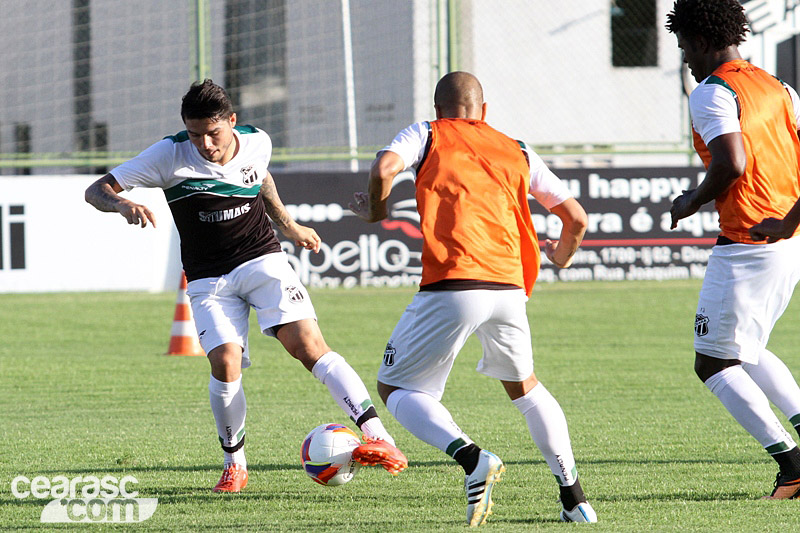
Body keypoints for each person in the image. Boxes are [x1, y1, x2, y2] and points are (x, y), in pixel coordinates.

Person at [85, 79, 407, 493]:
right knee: (225, 362)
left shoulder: (257, 141)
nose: (204, 143)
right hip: (208, 277)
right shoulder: (168, 153)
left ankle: (379, 436)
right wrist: (122, 203)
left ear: (232, 122)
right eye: (195, 133)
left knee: (308, 345)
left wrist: (289, 226)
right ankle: (234, 463)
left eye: (213, 133)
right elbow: (97, 190)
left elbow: (261, 178)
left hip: (262, 259)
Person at [350, 71, 597, 525]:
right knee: (526, 389)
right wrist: (560, 256)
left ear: (438, 109)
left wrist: (376, 212)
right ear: (483, 112)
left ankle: (472, 458)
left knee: (395, 387)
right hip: (509, 287)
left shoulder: (426, 133)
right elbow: (576, 218)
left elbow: (383, 169)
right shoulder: (516, 147)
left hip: (454, 281)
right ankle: (575, 500)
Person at [667, 0, 800, 499]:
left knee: (714, 363)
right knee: (750, 349)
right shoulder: (779, 87)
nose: (686, 59)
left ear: (701, 41)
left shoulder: (712, 91)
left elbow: (732, 162)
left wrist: (691, 200)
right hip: (787, 240)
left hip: (747, 244)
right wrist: (790, 220)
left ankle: (792, 466)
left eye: (684, 48)